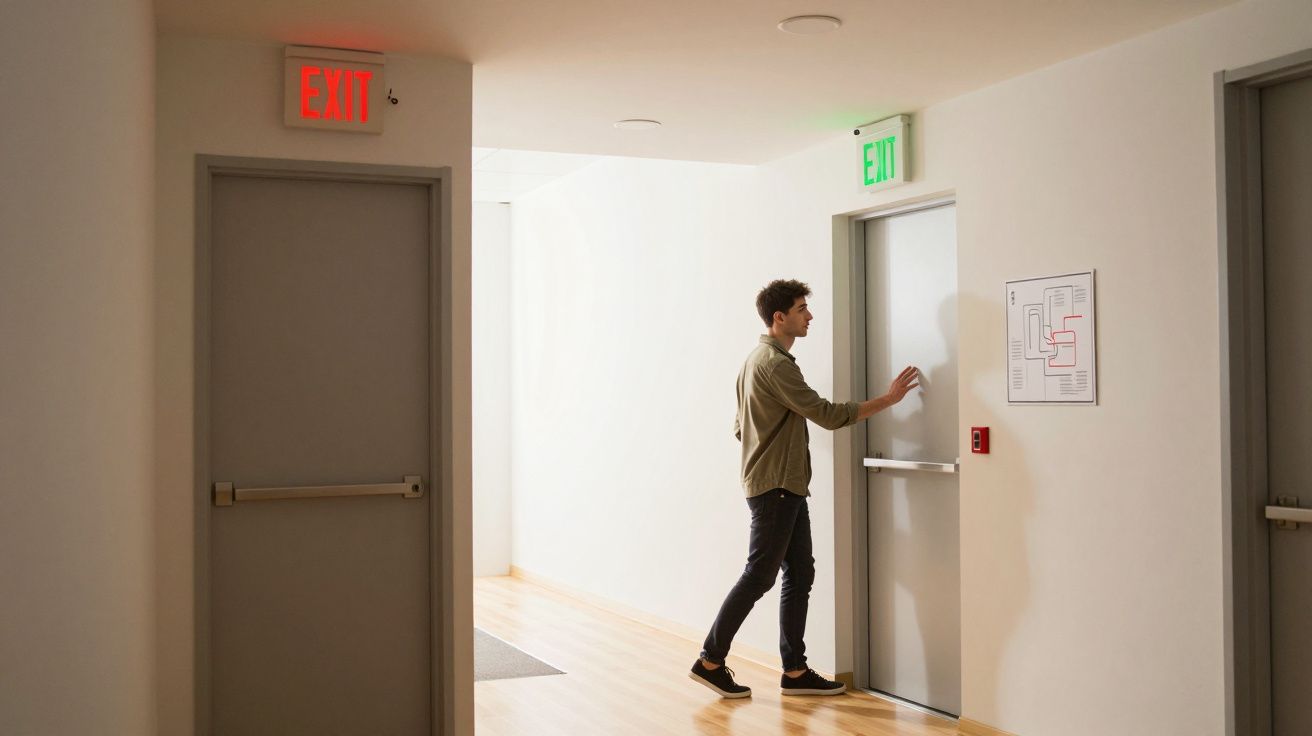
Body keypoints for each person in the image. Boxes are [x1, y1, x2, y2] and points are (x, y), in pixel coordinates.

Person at [688, 279, 920, 699]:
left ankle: (794, 671)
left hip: (783, 485)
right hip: (777, 486)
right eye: (801, 309)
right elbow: (827, 415)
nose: (809, 316)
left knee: (799, 573)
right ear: (779, 318)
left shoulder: (754, 360)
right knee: (759, 575)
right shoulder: (776, 365)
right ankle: (710, 661)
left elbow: (740, 427)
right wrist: (888, 400)